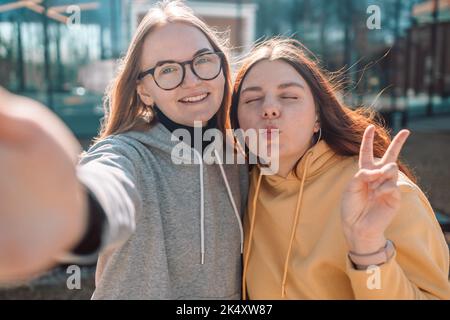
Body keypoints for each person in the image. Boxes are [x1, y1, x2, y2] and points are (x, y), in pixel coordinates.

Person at [0, 0, 248, 299]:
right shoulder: (128, 154)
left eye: (203, 59)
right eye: (168, 69)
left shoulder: (239, 157)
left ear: (221, 65)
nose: (193, 80)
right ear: (144, 90)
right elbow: (109, 183)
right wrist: (76, 210)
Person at [231, 38, 450, 299]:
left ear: (318, 117)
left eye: (289, 96)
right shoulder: (241, 189)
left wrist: (368, 249)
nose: (268, 109)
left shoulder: (382, 193)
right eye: (252, 99)